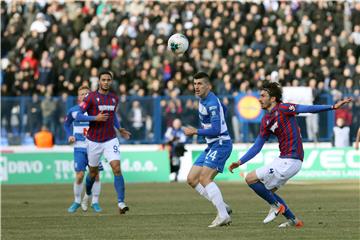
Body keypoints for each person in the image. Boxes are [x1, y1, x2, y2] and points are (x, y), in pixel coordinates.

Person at [228, 81, 353, 228]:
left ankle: (276, 205)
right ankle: (294, 221)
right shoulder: (266, 120)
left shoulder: (284, 108)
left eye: (262, 95)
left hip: (291, 159)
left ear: (273, 98)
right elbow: (258, 145)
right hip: (285, 159)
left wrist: (332, 107)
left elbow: (307, 108)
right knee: (267, 190)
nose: (259, 99)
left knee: (250, 179)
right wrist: (240, 161)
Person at [76, 71, 131, 214]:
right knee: (93, 174)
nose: (106, 82)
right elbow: (78, 116)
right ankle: (87, 194)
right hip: (93, 141)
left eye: (108, 80)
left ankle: (121, 202)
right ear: (99, 81)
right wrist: (95, 118)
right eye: (103, 80)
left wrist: (120, 129)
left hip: (110, 139)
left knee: (117, 168)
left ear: (111, 81)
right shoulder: (91, 97)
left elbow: (112, 116)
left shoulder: (114, 98)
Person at [183, 72, 233, 228]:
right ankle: (223, 206)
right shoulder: (205, 99)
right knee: (192, 179)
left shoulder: (210, 103)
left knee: (205, 179)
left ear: (208, 86)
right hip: (211, 145)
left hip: (221, 143)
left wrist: (195, 131)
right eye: (195, 83)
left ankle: (223, 215)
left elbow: (217, 129)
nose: (196, 87)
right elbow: (224, 109)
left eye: (200, 84)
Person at [64, 86, 108, 213]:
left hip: (94, 147)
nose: (84, 95)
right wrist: (69, 135)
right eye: (81, 94)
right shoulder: (73, 111)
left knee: (96, 175)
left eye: (86, 93)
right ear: (78, 97)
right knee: (80, 175)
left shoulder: (96, 110)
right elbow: (66, 124)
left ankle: (94, 202)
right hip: (79, 147)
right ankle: (77, 201)